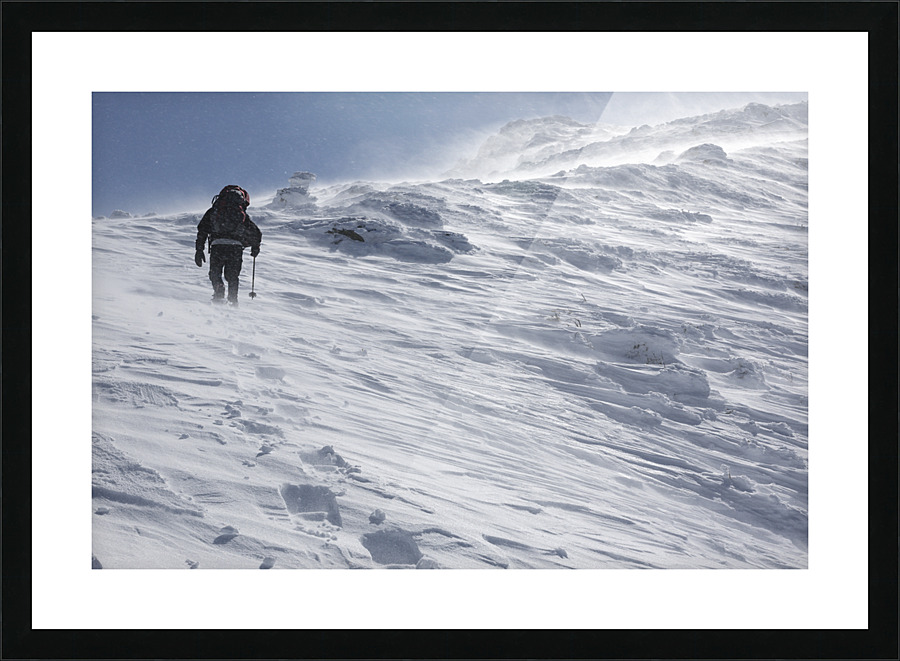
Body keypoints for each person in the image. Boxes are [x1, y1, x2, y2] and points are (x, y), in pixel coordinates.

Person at [194, 185, 262, 304]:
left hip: (217, 245)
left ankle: (219, 289)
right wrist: (255, 247)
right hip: (235, 247)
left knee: (215, 273)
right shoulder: (241, 213)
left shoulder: (215, 210)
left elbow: (202, 230)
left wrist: (199, 250)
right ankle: (233, 301)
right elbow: (256, 232)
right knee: (232, 276)